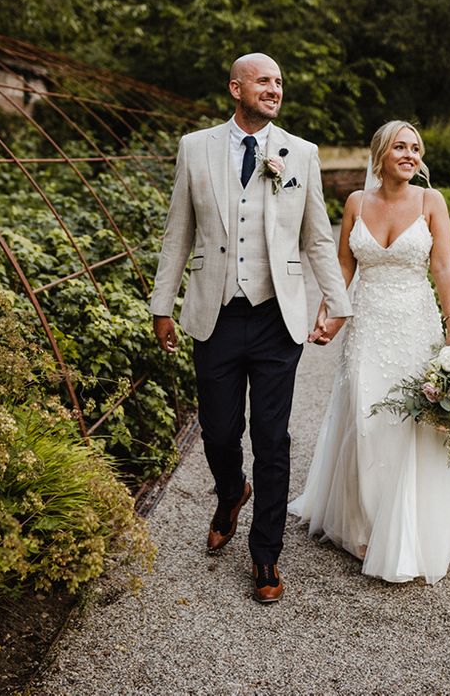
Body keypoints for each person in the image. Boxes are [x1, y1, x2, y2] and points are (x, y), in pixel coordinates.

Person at [149, 53, 352, 602]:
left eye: (280, 82)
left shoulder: (301, 154)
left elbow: (315, 237)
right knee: (218, 432)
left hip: (274, 318)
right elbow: (178, 233)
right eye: (264, 81)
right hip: (212, 315)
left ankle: (265, 555)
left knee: (272, 437)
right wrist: (161, 305)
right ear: (235, 87)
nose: (274, 89)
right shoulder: (196, 147)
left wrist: (337, 304)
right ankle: (229, 490)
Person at [289, 120, 450, 585]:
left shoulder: (432, 202)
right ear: (380, 155)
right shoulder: (355, 202)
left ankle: (409, 528)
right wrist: (330, 315)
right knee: (366, 420)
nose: (409, 155)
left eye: (415, 148)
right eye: (400, 147)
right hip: (368, 324)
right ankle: (365, 523)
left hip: (415, 324)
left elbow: (443, 266)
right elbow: (344, 266)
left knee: (412, 421)